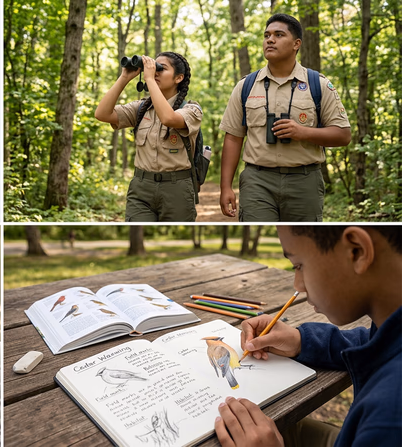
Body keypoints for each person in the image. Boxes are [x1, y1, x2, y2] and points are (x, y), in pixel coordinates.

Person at [215, 226, 402, 447]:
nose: (297, 285)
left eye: (299, 266)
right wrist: (301, 341)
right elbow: (374, 343)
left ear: (357, 251)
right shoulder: (390, 323)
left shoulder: (389, 418)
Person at [218, 14, 352, 221]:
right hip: (257, 180)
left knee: (305, 240)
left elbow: (343, 135)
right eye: (266, 35)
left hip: (304, 181)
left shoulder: (319, 85)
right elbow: (234, 137)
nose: (270, 40)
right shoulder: (246, 86)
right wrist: (225, 187)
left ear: (296, 44)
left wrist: (302, 132)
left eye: (279, 35)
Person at [95, 52, 202, 222]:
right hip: (141, 188)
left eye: (161, 69)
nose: (155, 71)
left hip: (176, 189)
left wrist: (150, 79)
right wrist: (124, 77)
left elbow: (168, 118)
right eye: (153, 67)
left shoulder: (192, 110)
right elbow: (102, 114)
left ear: (178, 78)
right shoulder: (141, 108)